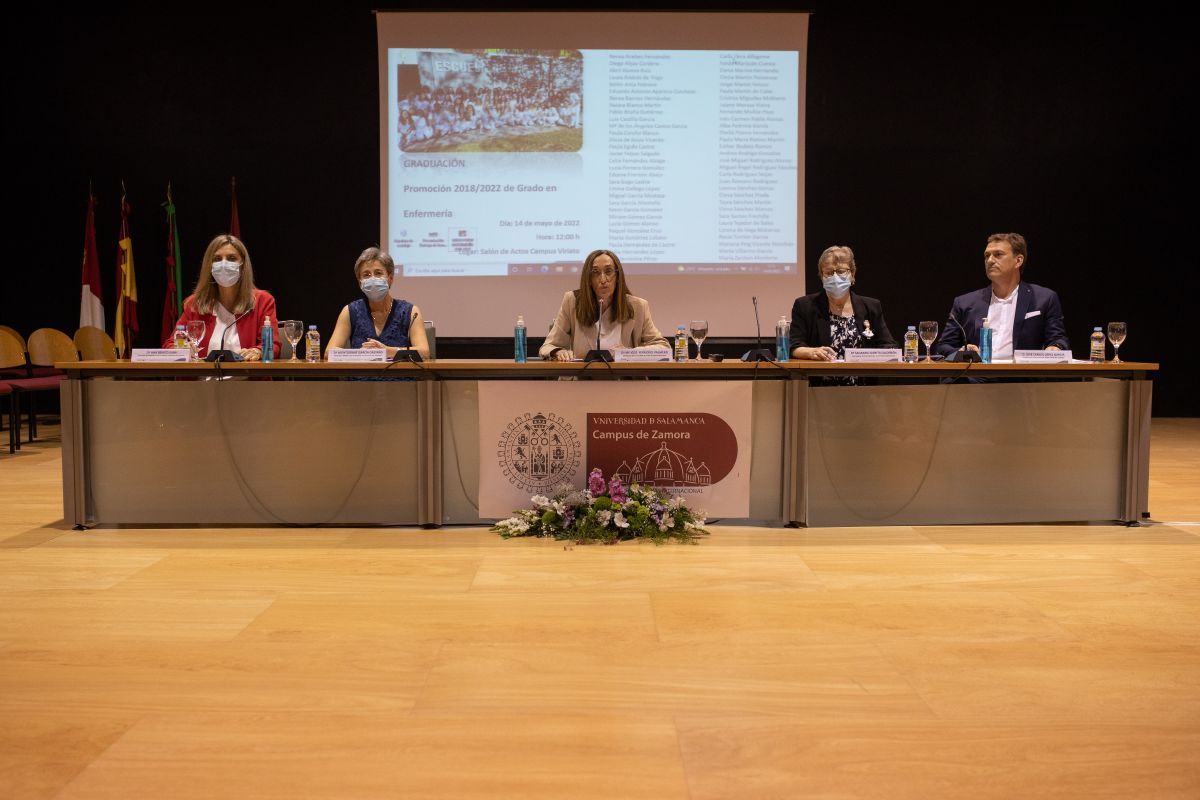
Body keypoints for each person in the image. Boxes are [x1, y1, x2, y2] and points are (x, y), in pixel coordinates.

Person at [935, 233, 1068, 359]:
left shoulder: (1044, 298)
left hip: (1021, 378)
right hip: (975, 378)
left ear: (1018, 261)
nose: (990, 260)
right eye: (987, 256)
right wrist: (961, 352)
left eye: (998, 254)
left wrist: (1055, 347)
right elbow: (943, 347)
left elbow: (1058, 339)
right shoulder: (964, 302)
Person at [165, 233, 280, 360]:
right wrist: (182, 349)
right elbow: (170, 345)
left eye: (231, 258)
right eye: (217, 259)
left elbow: (273, 346)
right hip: (202, 379)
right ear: (209, 266)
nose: (224, 264)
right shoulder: (194, 303)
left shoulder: (262, 301)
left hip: (247, 378)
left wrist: (258, 352)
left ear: (243, 266)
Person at [539, 249, 668, 360]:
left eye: (608, 271)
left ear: (618, 277)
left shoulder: (638, 306)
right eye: (595, 273)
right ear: (588, 279)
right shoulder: (572, 301)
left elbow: (663, 347)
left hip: (624, 382)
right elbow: (547, 347)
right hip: (582, 382)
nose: (603, 280)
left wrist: (629, 353)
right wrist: (558, 351)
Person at [789, 245, 897, 362]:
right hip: (820, 378)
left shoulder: (871, 307)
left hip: (863, 378)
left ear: (853, 274)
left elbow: (889, 346)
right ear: (821, 276)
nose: (835, 277)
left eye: (841, 272)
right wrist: (812, 352)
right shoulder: (805, 306)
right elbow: (793, 346)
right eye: (829, 272)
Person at [326, 247, 430, 360]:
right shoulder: (350, 311)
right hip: (361, 376)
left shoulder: (410, 311)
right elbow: (328, 353)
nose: (373, 279)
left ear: (390, 278)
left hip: (399, 377)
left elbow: (424, 352)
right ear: (360, 282)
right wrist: (359, 354)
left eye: (378, 273)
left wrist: (387, 351)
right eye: (366, 275)